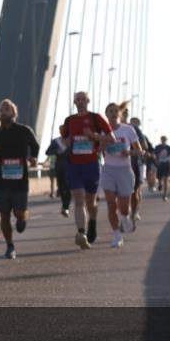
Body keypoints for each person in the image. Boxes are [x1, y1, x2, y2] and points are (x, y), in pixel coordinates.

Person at [0, 98, 40, 259]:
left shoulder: (24, 130)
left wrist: (33, 157)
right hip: (1, 180)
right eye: (1, 109)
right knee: (4, 214)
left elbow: (34, 146)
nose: (4, 111)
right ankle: (10, 246)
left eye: (7, 109)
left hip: (20, 179)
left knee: (19, 212)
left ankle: (22, 218)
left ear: (14, 113)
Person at [63, 91, 116, 249]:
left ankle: (92, 223)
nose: (80, 101)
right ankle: (81, 233)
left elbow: (111, 138)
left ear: (88, 101)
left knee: (90, 202)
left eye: (83, 98)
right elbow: (65, 140)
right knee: (79, 198)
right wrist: (65, 142)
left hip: (91, 165)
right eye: (77, 99)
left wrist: (94, 136)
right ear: (74, 102)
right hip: (74, 164)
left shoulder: (96, 118)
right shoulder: (69, 120)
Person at [101, 102, 142, 248]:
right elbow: (96, 148)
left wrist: (129, 152)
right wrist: (103, 144)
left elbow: (140, 150)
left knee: (123, 206)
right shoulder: (102, 130)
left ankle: (125, 217)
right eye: (109, 110)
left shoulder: (128, 130)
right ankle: (117, 235)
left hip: (125, 170)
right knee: (111, 203)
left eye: (115, 110)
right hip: (108, 170)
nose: (112, 113)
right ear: (106, 114)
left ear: (119, 114)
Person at [126, 113, 151, 223]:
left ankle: (135, 211)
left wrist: (137, 150)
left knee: (135, 190)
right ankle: (126, 212)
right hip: (119, 165)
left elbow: (146, 147)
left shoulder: (137, 131)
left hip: (137, 163)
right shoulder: (112, 128)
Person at [45, 124, 71, 217]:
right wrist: (56, 151)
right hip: (59, 167)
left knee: (68, 187)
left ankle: (66, 207)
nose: (62, 131)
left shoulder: (71, 140)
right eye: (60, 130)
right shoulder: (55, 141)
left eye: (64, 129)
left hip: (70, 167)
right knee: (61, 187)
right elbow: (47, 152)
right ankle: (64, 205)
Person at [154, 136, 170, 201]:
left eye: (164, 139)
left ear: (166, 140)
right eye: (162, 139)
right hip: (160, 164)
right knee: (159, 178)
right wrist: (156, 161)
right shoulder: (157, 147)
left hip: (167, 164)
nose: (163, 140)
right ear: (161, 140)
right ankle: (160, 184)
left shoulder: (169, 148)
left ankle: (165, 195)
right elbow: (154, 155)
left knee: (166, 180)